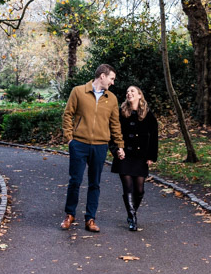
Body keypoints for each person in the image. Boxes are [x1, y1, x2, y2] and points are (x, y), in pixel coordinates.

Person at [61, 64, 124, 232]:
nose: (112, 83)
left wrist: (119, 145)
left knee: (94, 183)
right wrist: (69, 139)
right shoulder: (78, 91)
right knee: (75, 181)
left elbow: (115, 124)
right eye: (111, 79)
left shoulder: (112, 99)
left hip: (100, 146)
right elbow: (68, 114)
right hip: (79, 145)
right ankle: (70, 215)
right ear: (102, 76)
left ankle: (90, 219)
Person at [110, 85, 158, 231]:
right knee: (128, 187)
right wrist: (116, 150)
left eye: (132, 91)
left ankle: (132, 213)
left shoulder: (148, 115)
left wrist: (151, 156)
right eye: (127, 92)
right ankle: (132, 218)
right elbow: (112, 133)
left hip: (141, 157)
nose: (129, 93)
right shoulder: (120, 113)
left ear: (139, 95)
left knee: (139, 190)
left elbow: (154, 136)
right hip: (124, 156)